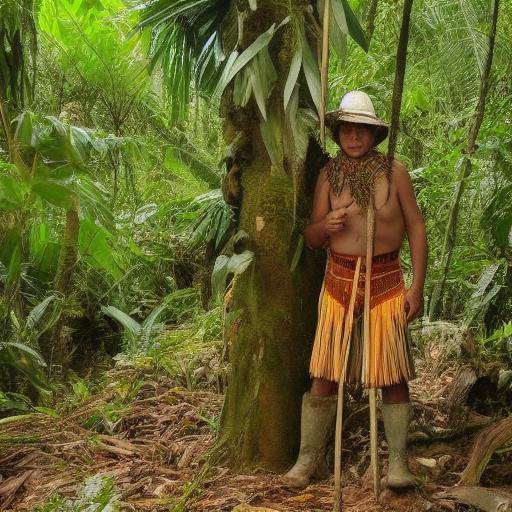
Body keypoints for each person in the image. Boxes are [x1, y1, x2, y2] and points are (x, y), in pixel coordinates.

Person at [282, 90, 427, 490]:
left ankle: (397, 463)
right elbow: (312, 237)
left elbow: (416, 226)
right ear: (339, 133)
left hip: (385, 281)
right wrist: (325, 226)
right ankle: (307, 460)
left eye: (361, 129)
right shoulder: (329, 176)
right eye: (347, 129)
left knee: (393, 374)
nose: (353, 137)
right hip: (339, 282)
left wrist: (416, 287)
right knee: (325, 374)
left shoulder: (394, 172)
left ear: (373, 134)